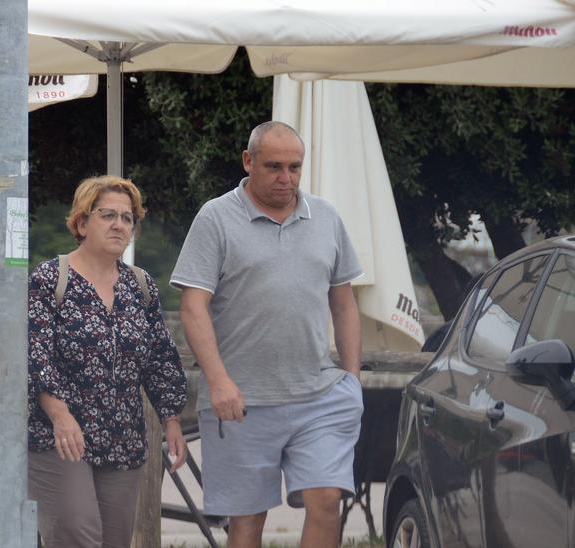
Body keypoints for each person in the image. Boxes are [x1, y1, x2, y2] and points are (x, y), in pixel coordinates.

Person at [170, 121, 364, 548]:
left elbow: (345, 302)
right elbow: (192, 306)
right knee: (246, 524)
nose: (286, 178)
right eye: (274, 166)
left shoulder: (327, 217)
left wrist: (351, 378)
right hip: (241, 401)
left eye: (295, 167)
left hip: (319, 395)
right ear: (248, 161)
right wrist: (218, 381)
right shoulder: (215, 217)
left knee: (327, 500)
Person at [27, 175, 188, 548]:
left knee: (115, 542)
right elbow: (36, 355)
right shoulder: (51, 279)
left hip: (123, 439)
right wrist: (59, 415)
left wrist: (172, 418)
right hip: (61, 437)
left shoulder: (140, 285)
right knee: (77, 536)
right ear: (82, 223)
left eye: (127, 218)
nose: (119, 224)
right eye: (107, 215)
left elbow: (160, 357)